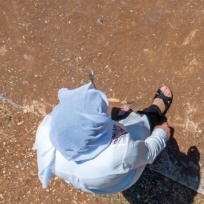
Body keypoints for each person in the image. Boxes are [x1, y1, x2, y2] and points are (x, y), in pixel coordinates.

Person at [33, 82, 173, 194]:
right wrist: (161, 134)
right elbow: (148, 152)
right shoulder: (119, 152)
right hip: (122, 179)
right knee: (141, 125)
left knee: (120, 125)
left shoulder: (47, 131)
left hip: (93, 182)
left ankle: (121, 118)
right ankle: (153, 112)